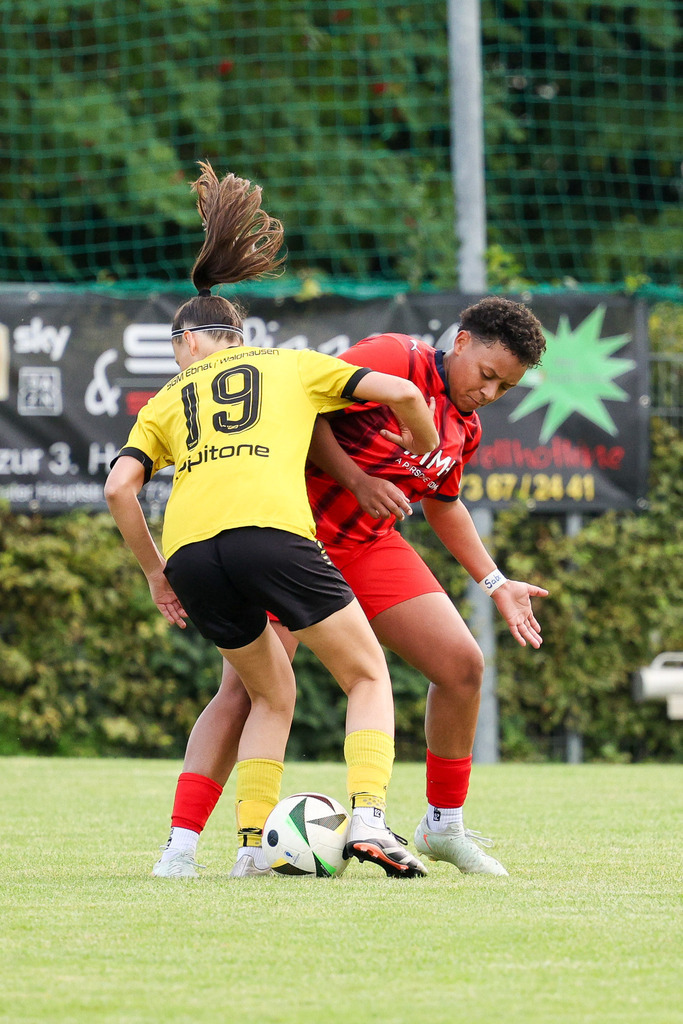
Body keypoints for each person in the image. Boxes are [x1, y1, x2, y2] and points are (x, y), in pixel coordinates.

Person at [104, 161, 441, 879]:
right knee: (367, 676)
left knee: (268, 691)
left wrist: (157, 574)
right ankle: (372, 819)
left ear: (189, 342)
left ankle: (216, 850)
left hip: (192, 554)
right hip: (272, 535)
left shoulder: (167, 399)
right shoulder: (290, 366)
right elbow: (403, 389)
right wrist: (422, 438)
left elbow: (117, 489)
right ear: (234, 333)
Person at [159, 294, 549, 878]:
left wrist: (494, 581)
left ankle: (442, 827)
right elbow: (303, 409)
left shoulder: (463, 426)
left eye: (505, 389)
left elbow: (445, 505)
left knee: (462, 666)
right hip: (293, 537)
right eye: (487, 376)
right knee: (249, 692)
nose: (488, 394)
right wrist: (357, 478)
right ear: (462, 342)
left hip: (367, 544)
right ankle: (182, 845)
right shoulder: (392, 356)